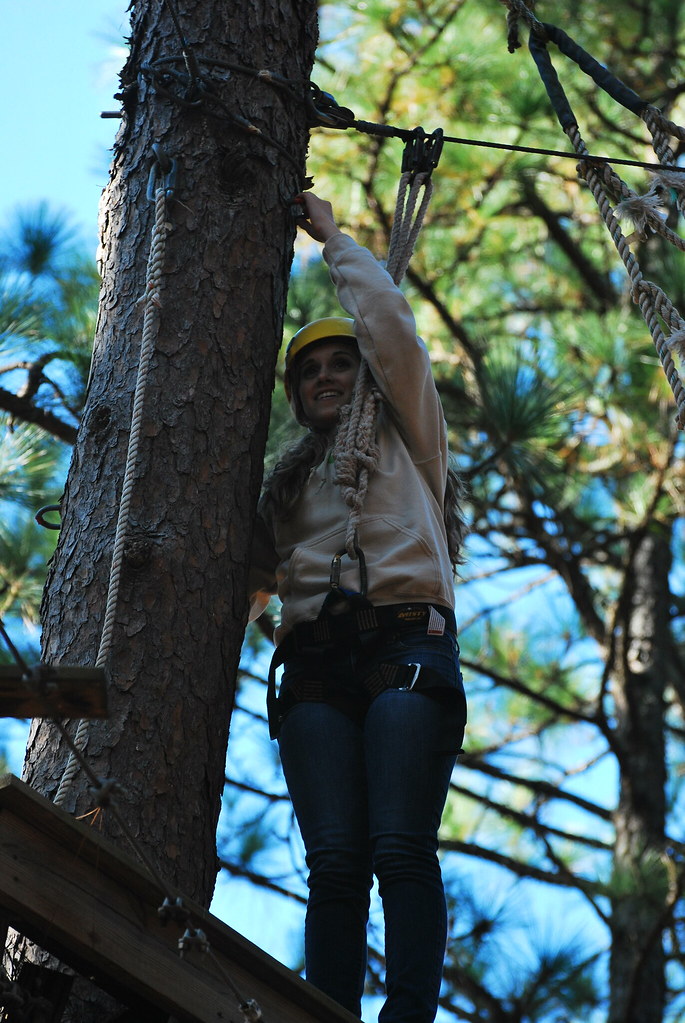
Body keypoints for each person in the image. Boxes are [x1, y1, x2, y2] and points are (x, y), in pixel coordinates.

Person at [249, 192, 467, 1023]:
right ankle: (329, 1012)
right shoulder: (286, 489)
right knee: (336, 862)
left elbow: (390, 329)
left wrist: (334, 239)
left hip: (406, 647)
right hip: (314, 672)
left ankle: (406, 1015)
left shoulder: (409, 436)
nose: (326, 376)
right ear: (296, 395)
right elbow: (241, 582)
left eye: (340, 363)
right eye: (309, 370)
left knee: (400, 846)